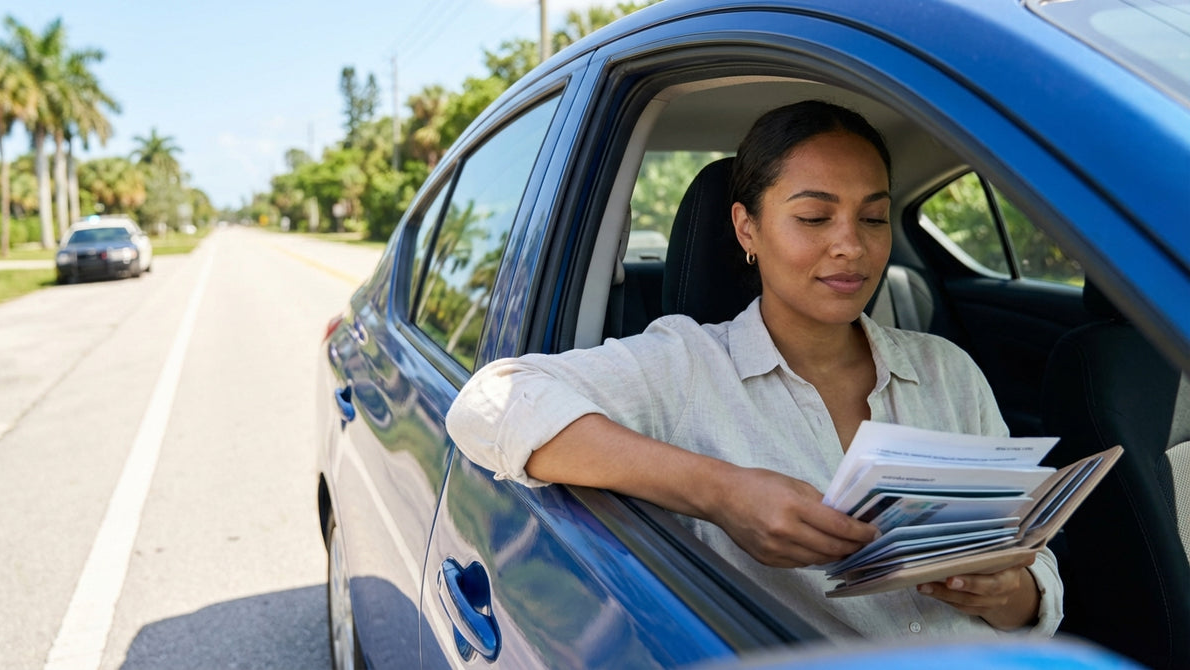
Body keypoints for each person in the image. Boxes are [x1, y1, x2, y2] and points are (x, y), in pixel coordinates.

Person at [446, 100, 1062, 639]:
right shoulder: (687, 365)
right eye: (815, 217)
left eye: (873, 217)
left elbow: (1033, 567)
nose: (852, 244)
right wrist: (722, 493)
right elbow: (488, 403)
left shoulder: (949, 372)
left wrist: (1012, 594)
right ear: (748, 228)